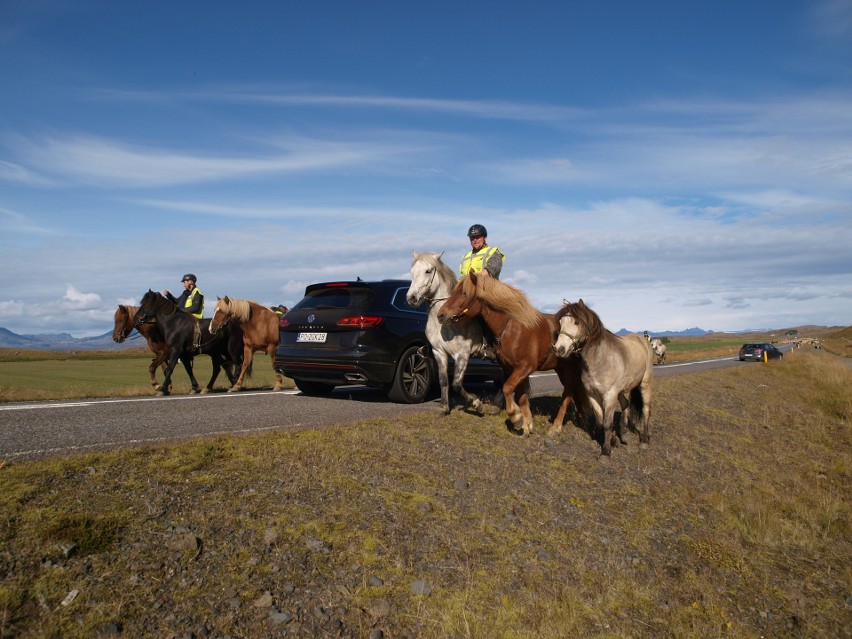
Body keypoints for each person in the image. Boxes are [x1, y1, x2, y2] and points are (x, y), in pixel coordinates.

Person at [459, 224, 504, 360]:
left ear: (484, 237)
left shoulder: (493, 252)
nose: (474, 240)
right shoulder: (466, 256)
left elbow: (490, 270)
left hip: (488, 291)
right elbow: (461, 278)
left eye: (477, 237)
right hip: (469, 294)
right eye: (472, 238)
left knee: (485, 314)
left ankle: (491, 346)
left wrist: (474, 282)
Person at [164, 274, 204, 350]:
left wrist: (180, 311)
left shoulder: (197, 293)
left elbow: (195, 307)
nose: (183, 285)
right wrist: (168, 295)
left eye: (184, 282)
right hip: (185, 318)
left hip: (194, 319)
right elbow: (177, 302)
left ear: (191, 282)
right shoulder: (185, 292)